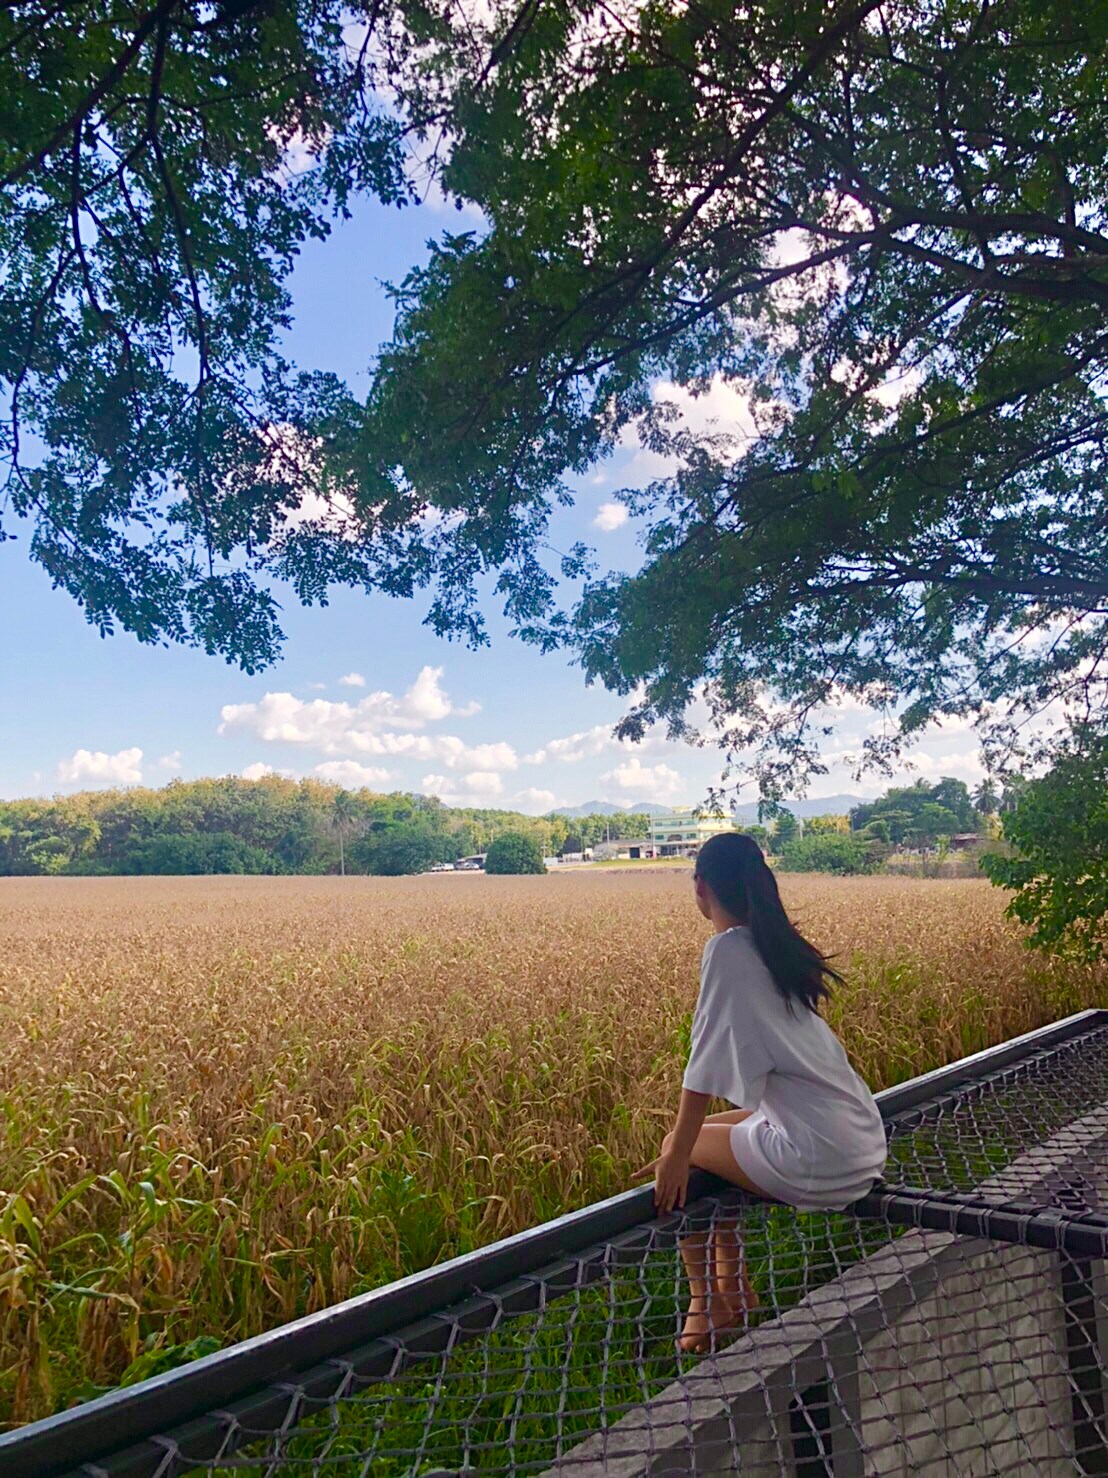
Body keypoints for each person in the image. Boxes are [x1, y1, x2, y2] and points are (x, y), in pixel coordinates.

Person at [633, 832, 887, 1353]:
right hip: (859, 1138)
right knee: (698, 1145)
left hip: (821, 1154)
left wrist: (676, 1155)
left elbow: (702, 1066)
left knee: (676, 1148)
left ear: (700, 887)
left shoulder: (728, 948)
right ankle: (734, 1289)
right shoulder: (770, 945)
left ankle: (707, 1305)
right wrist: (688, 1146)